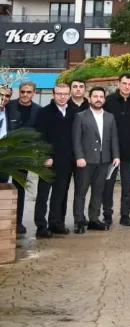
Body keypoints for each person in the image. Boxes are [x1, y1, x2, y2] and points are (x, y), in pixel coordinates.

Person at [72, 87, 119, 234]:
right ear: (90, 98)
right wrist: (79, 157)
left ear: (104, 99)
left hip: (103, 161)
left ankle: (94, 219)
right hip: (85, 161)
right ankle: (79, 221)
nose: (98, 99)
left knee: (98, 192)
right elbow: (76, 139)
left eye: (101, 96)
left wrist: (116, 156)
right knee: (81, 192)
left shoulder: (110, 117)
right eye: (95, 96)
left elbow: (114, 138)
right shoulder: (81, 116)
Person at [101, 73, 130, 227]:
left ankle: (125, 215)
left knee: (127, 185)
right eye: (124, 83)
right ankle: (107, 214)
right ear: (118, 84)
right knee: (108, 185)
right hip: (110, 152)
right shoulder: (108, 101)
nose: (127, 87)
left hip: (129, 152)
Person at [33, 83, 75, 237]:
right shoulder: (44, 112)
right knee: (43, 196)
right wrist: (45, 157)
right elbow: (39, 137)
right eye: (59, 94)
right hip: (48, 162)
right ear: (53, 95)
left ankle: (55, 224)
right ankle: (41, 226)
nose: (62, 97)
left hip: (65, 161)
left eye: (65, 94)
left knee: (59, 195)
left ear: (69, 95)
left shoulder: (73, 113)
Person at [5, 80, 40, 236]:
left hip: (24, 155)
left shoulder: (38, 110)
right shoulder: (8, 106)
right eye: (23, 91)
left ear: (34, 93)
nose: (25, 94)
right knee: (2, 186)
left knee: (19, 188)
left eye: (28, 92)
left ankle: (17, 222)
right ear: (19, 91)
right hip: (5, 153)